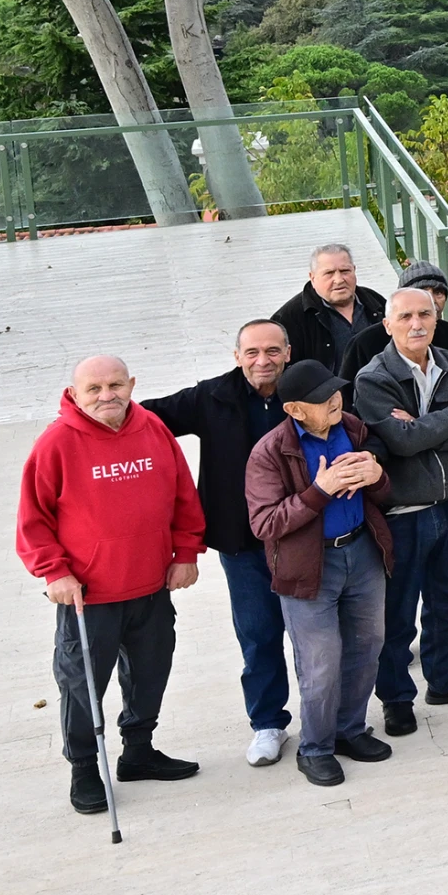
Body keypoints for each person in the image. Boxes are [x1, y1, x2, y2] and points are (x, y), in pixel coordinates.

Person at [16, 354, 207, 814]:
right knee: (82, 684)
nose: (107, 396)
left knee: (151, 672)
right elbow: (33, 518)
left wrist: (186, 554)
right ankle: (84, 767)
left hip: (151, 585)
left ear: (132, 383)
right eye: (95, 389)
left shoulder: (153, 430)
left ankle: (138, 751)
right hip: (89, 596)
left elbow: (184, 495)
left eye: (116, 385)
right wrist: (54, 571)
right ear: (75, 393)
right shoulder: (57, 443)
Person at [141, 321, 296, 766]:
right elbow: (148, 417)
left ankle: (337, 718)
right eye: (251, 352)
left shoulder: (308, 386)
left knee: (319, 634)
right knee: (259, 634)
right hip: (242, 542)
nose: (262, 361)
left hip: (305, 536)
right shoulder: (212, 396)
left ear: (288, 352)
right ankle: (268, 723)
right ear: (237, 356)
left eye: (271, 351)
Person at [242, 360, 397, 786]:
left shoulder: (354, 427)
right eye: (321, 398)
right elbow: (266, 524)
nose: (334, 399)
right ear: (294, 410)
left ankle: (350, 731)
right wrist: (319, 492)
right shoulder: (269, 453)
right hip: (309, 568)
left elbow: (384, 493)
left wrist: (378, 476)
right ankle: (315, 748)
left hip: (361, 553)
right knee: (320, 663)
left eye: (335, 391)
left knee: (368, 648)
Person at [350, 285, 448, 735]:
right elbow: (401, 442)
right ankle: (396, 699)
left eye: (424, 314)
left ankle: (447, 680)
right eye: (405, 317)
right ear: (387, 325)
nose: (416, 324)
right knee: (397, 614)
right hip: (402, 514)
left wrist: (429, 428)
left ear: (436, 317)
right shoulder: (372, 378)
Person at [275, 243, 387, 374]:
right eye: (329, 273)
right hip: (329, 394)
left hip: (380, 390)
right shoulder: (290, 318)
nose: (339, 280)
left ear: (354, 270)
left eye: (345, 271)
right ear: (312, 277)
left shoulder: (376, 302)